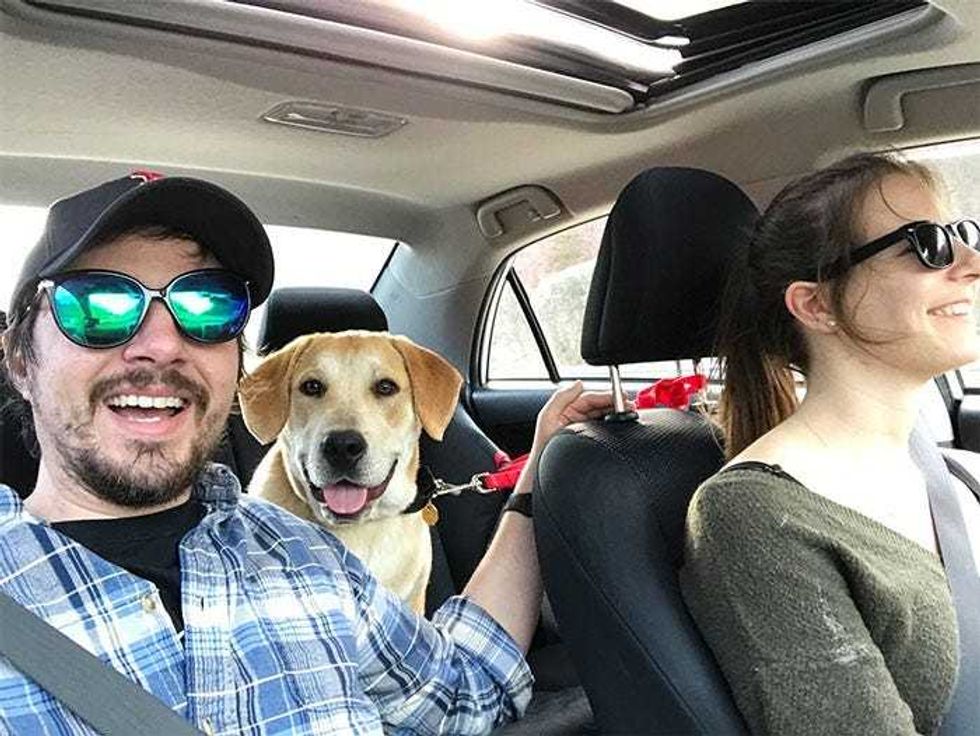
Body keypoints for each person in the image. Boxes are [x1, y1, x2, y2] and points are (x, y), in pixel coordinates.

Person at [0, 171, 619, 734]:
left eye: (207, 307)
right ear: (21, 359)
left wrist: (538, 472)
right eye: (99, 305)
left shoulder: (305, 554)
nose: (162, 344)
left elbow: (466, 688)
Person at [679, 152, 980, 734]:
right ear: (816, 305)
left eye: (963, 235)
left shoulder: (954, 473)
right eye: (927, 244)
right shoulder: (754, 517)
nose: (971, 261)